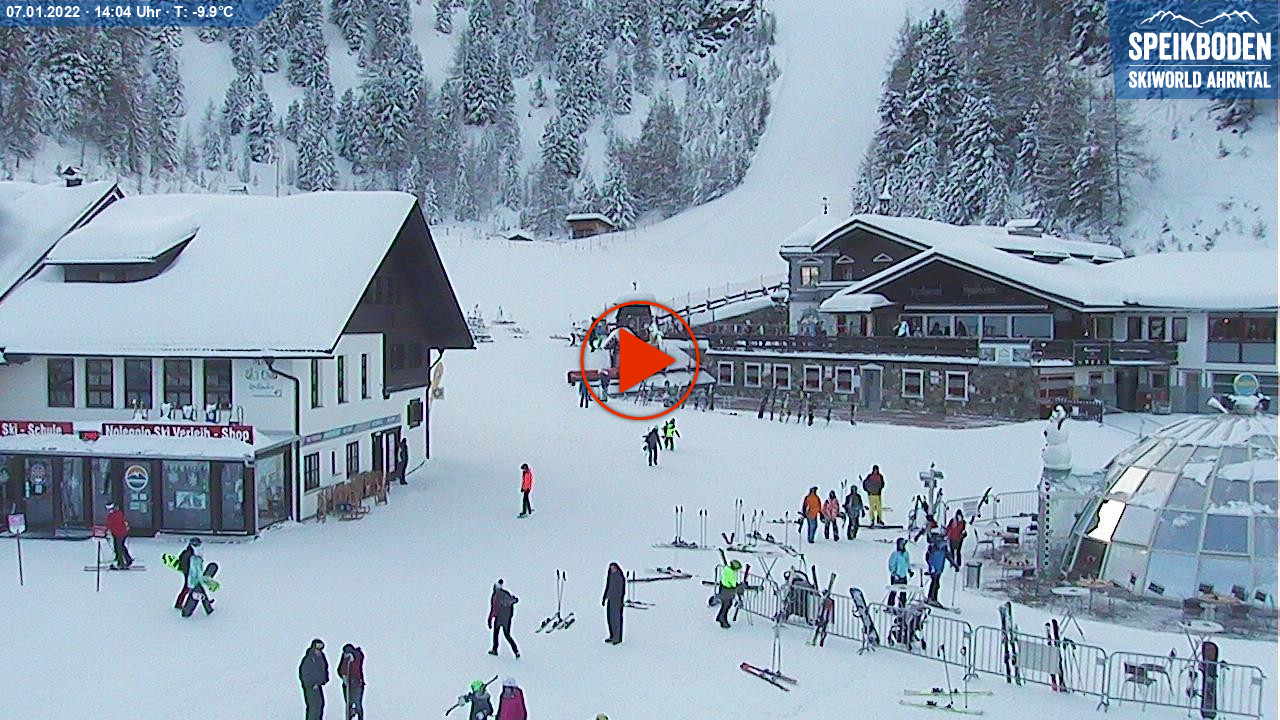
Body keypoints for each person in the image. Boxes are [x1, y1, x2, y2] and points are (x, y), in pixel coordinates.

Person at [488, 579, 520, 658]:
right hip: (506, 618)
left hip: (500, 618)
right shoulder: (503, 594)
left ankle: (495, 650)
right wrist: (514, 599)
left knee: (497, 634)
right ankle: (516, 652)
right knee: (506, 635)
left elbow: (494, 608)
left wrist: (490, 619)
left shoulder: (497, 595)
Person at [299, 638, 329, 720]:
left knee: (320, 705)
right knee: (313, 707)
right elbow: (304, 673)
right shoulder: (309, 658)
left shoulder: (321, 657)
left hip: (318, 685)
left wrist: (324, 679)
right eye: (317, 646)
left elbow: (324, 668)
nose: (319, 649)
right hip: (310, 687)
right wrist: (312, 684)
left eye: (321, 646)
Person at [183, 541, 215, 616]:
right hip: (195, 581)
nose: (202, 550)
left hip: (195, 581)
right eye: (200, 548)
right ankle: (186, 613)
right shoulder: (194, 559)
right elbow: (195, 573)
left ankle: (209, 609)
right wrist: (199, 581)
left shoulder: (196, 558)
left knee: (201, 594)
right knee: (195, 596)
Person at [338, 643, 365, 720]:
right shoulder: (345, 658)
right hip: (348, 684)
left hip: (356, 683)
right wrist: (344, 678)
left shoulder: (356, 656)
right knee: (349, 703)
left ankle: (358, 716)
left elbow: (356, 667)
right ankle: (351, 715)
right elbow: (341, 670)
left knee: (357, 703)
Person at [602, 562, 626, 644]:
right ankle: (612, 635)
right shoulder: (610, 576)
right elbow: (608, 587)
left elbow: (622, 590)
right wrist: (604, 598)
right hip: (610, 600)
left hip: (617, 601)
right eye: (611, 568)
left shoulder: (620, 577)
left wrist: (621, 601)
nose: (612, 570)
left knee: (616, 619)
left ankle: (617, 638)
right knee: (610, 619)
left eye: (614, 568)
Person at [714, 559, 742, 628]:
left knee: (725, 605)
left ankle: (719, 617)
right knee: (726, 606)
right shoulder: (731, 573)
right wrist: (739, 586)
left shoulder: (727, 569)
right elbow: (733, 584)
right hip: (727, 592)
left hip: (724, 590)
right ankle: (722, 620)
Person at [105, 502, 133, 569]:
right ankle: (127, 560)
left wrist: (106, 531)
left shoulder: (114, 515)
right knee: (121, 547)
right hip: (119, 533)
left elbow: (110, 524)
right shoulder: (118, 513)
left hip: (119, 533)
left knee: (119, 548)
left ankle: (121, 563)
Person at [174, 537, 200, 609]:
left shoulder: (192, 552)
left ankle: (206, 599)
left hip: (192, 573)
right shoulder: (188, 553)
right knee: (186, 588)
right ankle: (178, 604)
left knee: (196, 587)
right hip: (188, 573)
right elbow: (185, 564)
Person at [925, 531, 948, 604]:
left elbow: (947, 555)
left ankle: (934, 598)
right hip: (934, 568)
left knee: (936, 584)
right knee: (934, 583)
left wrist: (954, 564)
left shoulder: (943, 548)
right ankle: (931, 598)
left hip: (939, 568)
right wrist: (931, 566)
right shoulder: (932, 548)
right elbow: (928, 558)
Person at [887, 537, 911, 607]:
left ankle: (902, 606)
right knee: (894, 591)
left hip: (903, 575)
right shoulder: (895, 554)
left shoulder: (906, 553)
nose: (902, 545)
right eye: (901, 544)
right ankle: (890, 605)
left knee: (903, 592)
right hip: (896, 575)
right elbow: (891, 564)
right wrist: (894, 572)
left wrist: (909, 570)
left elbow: (907, 562)